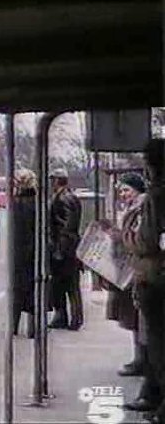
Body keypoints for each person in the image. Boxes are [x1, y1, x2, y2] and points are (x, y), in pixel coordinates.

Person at [122, 139, 165, 423]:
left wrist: (128, 236)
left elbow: (146, 240)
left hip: (156, 277)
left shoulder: (157, 196)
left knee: (159, 344)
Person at [104, 173, 147, 377]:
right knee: (134, 317)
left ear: (137, 190)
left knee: (138, 318)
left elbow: (139, 239)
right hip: (130, 268)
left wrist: (119, 236)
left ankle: (142, 360)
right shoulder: (133, 209)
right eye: (121, 191)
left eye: (126, 190)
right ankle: (140, 358)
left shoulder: (141, 209)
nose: (123, 194)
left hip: (135, 269)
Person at [47, 167, 83, 330]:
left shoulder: (62, 199)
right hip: (71, 247)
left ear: (56, 181)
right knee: (72, 286)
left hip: (64, 249)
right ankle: (74, 318)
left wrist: (59, 250)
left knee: (62, 285)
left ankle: (67, 317)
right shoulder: (72, 197)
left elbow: (66, 226)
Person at [12, 168, 37, 338]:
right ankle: (32, 329)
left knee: (17, 291)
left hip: (18, 252)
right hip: (33, 251)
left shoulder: (15, 204)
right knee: (32, 291)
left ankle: (14, 326)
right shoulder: (36, 203)